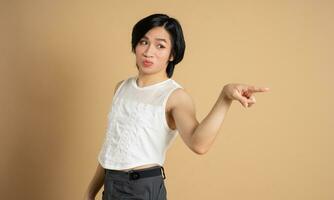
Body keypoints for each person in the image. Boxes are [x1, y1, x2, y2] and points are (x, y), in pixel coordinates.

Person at [83, 13, 269, 200]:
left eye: (160, 46)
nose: (149, 52)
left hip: (142, 188)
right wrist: (90, 192)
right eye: (143, 42)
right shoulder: (121, 88)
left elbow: (199, 144)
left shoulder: (175, 96)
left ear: (172, 54)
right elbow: (111, 146)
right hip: (111, 184)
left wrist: (225, 97)